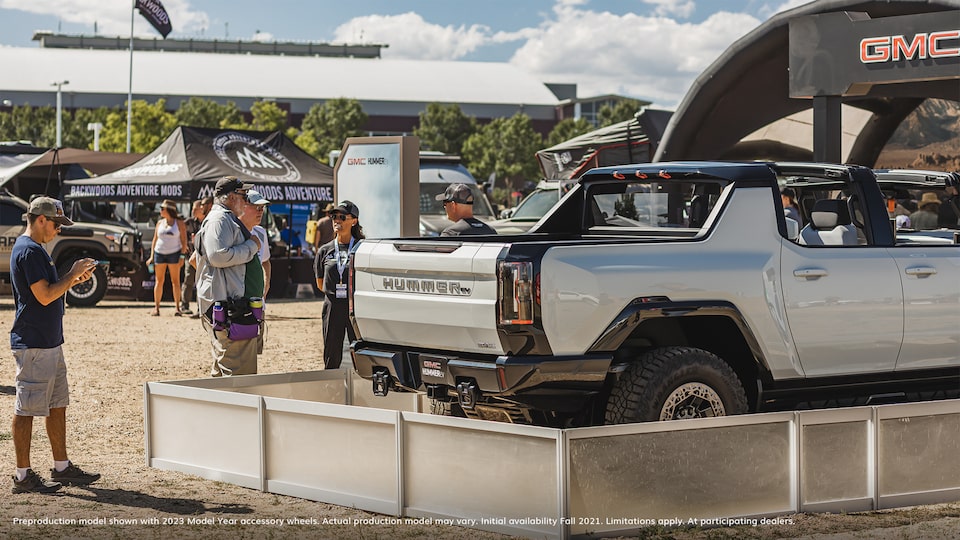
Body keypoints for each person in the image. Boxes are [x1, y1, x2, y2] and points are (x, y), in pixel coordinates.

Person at [10, 197, 101, 494]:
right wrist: (72, 274)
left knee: (56, 405)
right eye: (56, 223)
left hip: (47, 342)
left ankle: (62, 467)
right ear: (40, 219)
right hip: (34, 343)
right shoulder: (30, 250)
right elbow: (45, 296)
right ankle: (23, 476)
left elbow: (50, 290)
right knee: (26, 409)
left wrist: (71, 280)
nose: (58, 230)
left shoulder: (36, 249)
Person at [194, 176, 262, 377]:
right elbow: (217, 255)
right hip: (228, 306)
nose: (246, 199)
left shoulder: (225, 218)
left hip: (230, 304)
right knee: (238, 373)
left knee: (225, 368)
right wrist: (252, 246)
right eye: (243, 195)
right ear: (232, 197)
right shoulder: (220, 219)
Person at [314, 200, 364, 370]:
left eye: (342, 217)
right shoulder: (325, 250)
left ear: (354, 221)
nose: (337, 220)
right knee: (331, 350)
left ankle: (361, 387)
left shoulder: (362, 248)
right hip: (332, 305)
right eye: (334, 216)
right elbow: (321, 283)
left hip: (355, 306)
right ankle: (330, 388)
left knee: (359, 349)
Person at [146, 200, 188, 316]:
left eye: (162, 208)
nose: (160, 210)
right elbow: (155, 240)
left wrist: (182, 256)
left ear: (169, 210)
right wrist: (151, 256)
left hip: (174, 253)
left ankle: (177, 308)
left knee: (175, 281)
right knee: (159, 281)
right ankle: (156, 308)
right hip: (159, 253)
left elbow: (184, 241)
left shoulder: (179, 223)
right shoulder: (159, 223)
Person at [181, 197, 212, 316]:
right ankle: (184, 306)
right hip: (190, 256)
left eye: (195, 209)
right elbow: (180, 231)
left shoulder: (207, 222)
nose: (193, 211)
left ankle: (201, 308)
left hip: (204, 258)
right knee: (188, 280)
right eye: (193, 209)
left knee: (202, 282)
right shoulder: (188, 222)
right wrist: (184, 243)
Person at [239, 190, 271, 299]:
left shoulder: (260, 232)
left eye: (263, 208)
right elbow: (195, 259)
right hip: (236, 300)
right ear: (243, 206)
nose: (261, 211)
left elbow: (265, 261)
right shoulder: (231, 230)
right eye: (257, 207)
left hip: (257, 301)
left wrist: (266, 284)